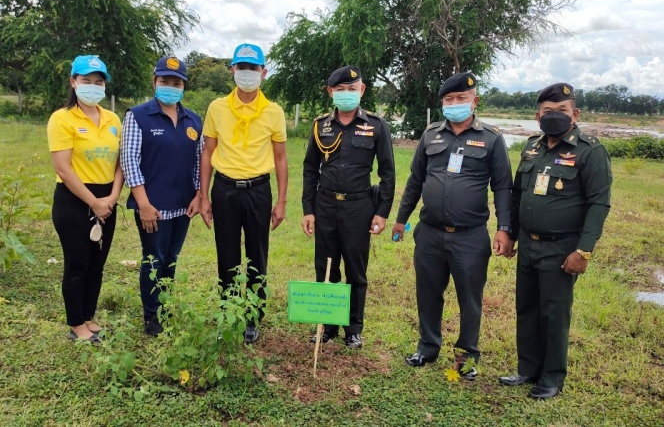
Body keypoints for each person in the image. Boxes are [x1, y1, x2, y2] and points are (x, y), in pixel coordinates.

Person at [391, 72, 513, 377]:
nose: (455, 103)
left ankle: (467, 357)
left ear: (475, 100)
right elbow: (415, 180)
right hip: (430, 233)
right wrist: (401, 219)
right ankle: (427, 348)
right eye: (449, 99)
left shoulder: (492, 138)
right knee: (428, 293)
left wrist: (504, 228)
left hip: (470, 237)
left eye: (461, 98)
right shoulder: (431, 135)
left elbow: (502, 186)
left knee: (469, 299)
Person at [499, 83, 612, 399]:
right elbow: (517, 193)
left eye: (561, 110)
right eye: (547, 111)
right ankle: (528, 369)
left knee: (554, 313)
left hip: (561, 247)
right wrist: (509, 233)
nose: (554, 116)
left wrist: (584, 250)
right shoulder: (531, 147)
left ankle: (551, 377)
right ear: (538, 116)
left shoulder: (590, 151)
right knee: (527, 308)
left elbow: (599, 204)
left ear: (575, 114)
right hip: (528, 243)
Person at [199, 43, 288, 344]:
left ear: (263, 72)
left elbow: (280, 158)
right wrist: (203, 196)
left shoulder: (273, 111)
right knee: (226, 254)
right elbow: (207, 152)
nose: (247, 73)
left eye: (253, 68)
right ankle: (227, 311)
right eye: (242, 67)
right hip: (224, 189)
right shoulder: (217, 108)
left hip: (258, 190)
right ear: (232, 70)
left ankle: (253, 316)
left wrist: (282, 201)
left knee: (256, 255)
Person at [302, 65, 396, 348]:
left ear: (362, 90)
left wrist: (382, 213)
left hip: (359, 207)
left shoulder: (376, 125)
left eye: (352, 89)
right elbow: (310, 169)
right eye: (340, 89)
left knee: (356, 270)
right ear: (331, 92)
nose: (346, 94)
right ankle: (327, 325)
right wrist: (308, 209)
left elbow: (388, 173)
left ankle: (353, 329)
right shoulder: (320, 126)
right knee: (326, 268)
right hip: (325, 205)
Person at [120, 56, 203, 337]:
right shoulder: (138, 116)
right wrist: (143, 204)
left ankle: (166, 307)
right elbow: (129, 160)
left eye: (176, 83)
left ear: (184, 86)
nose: (170, 87)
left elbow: (199, 161)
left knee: (171, 258)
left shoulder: (193, 120)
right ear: (154, 82)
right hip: (152, 207)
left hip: (183, 206)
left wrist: (199, 194)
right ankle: (152, 316)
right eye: (165, 81)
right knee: (153, 259)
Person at [47, 55, 123, 343]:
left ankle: (89, 317)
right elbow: (63, 169)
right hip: (74, 200)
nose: (93, 86)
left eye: (98, 82)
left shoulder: (113, 119)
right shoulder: (62, 119)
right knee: (77, 264)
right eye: (86, 80)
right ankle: (76, 324)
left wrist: (112, 197)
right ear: (73, 82)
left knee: (96, 264)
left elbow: (120, 163)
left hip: (107, 200)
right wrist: (94, 202)